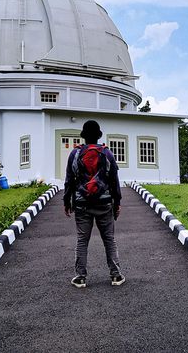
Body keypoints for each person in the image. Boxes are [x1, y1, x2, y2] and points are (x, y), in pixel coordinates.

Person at [63, 120, 124, 288]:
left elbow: (69, 181)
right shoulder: (108, 154)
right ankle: (116, 276)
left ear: (84, 137)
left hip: (82, 204)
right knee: (109, 240)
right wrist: (117, 203)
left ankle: (80, 277)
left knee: (82, 240)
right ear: (98, 136)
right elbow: (114, 182)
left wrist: (66, 202)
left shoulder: (74, 155)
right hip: (105, 204)